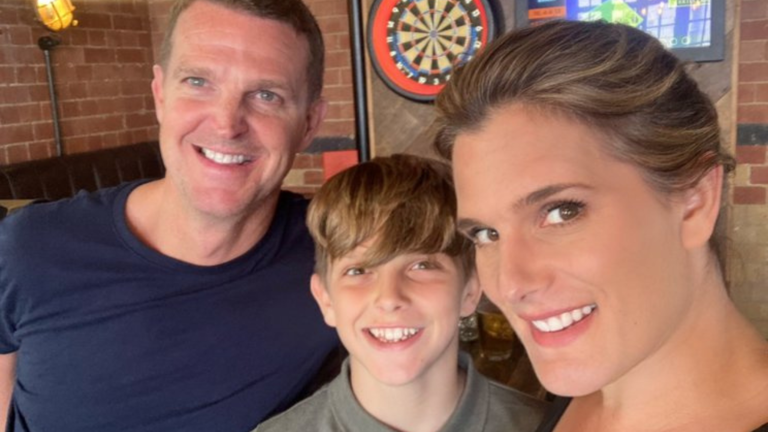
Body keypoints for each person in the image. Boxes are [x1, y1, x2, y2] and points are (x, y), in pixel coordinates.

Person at [0, 0, 339, 430]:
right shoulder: (30, 247)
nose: (226, 123)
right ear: (160, 94)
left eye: (266, 95)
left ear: (309, 123)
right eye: (198, 81)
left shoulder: (340, 256)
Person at [433, 20, 768, 432]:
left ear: (694, 201)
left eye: (561, 212)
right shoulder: (582, 389)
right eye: (486, 234)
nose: (510, 284)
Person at [256, 154, 546, 432]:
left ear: (470, 290)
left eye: (422, 266)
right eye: (358, 271)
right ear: (326, 300)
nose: (389, 298)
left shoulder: (552, 427)